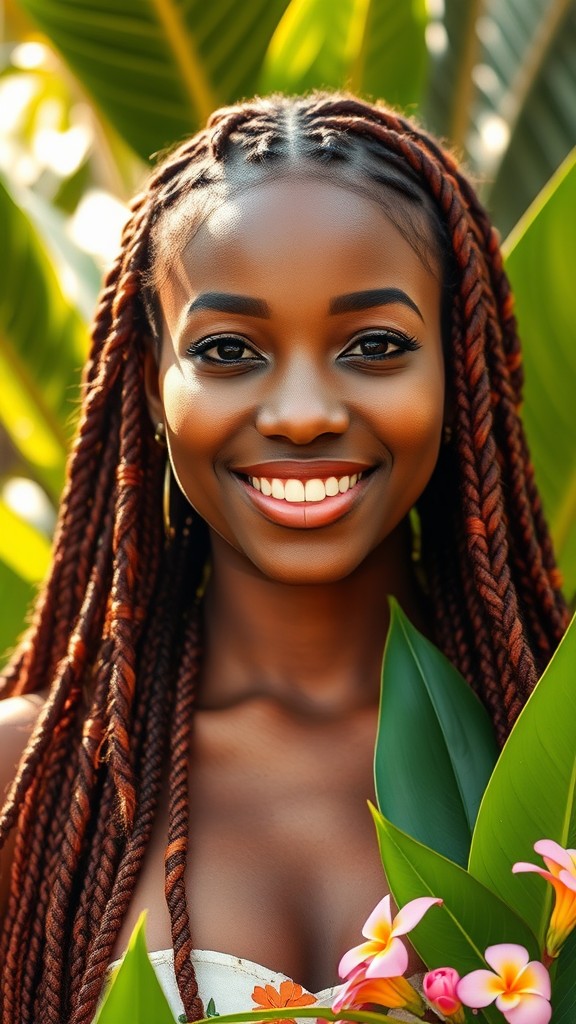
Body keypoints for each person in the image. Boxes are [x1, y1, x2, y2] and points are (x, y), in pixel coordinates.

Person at [0, 92, 568, 1024]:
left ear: (457, 368)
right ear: (149, 383)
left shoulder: (558, 761)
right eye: (228, 350)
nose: (302, 412)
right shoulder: (30, 786)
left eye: (375, 345)